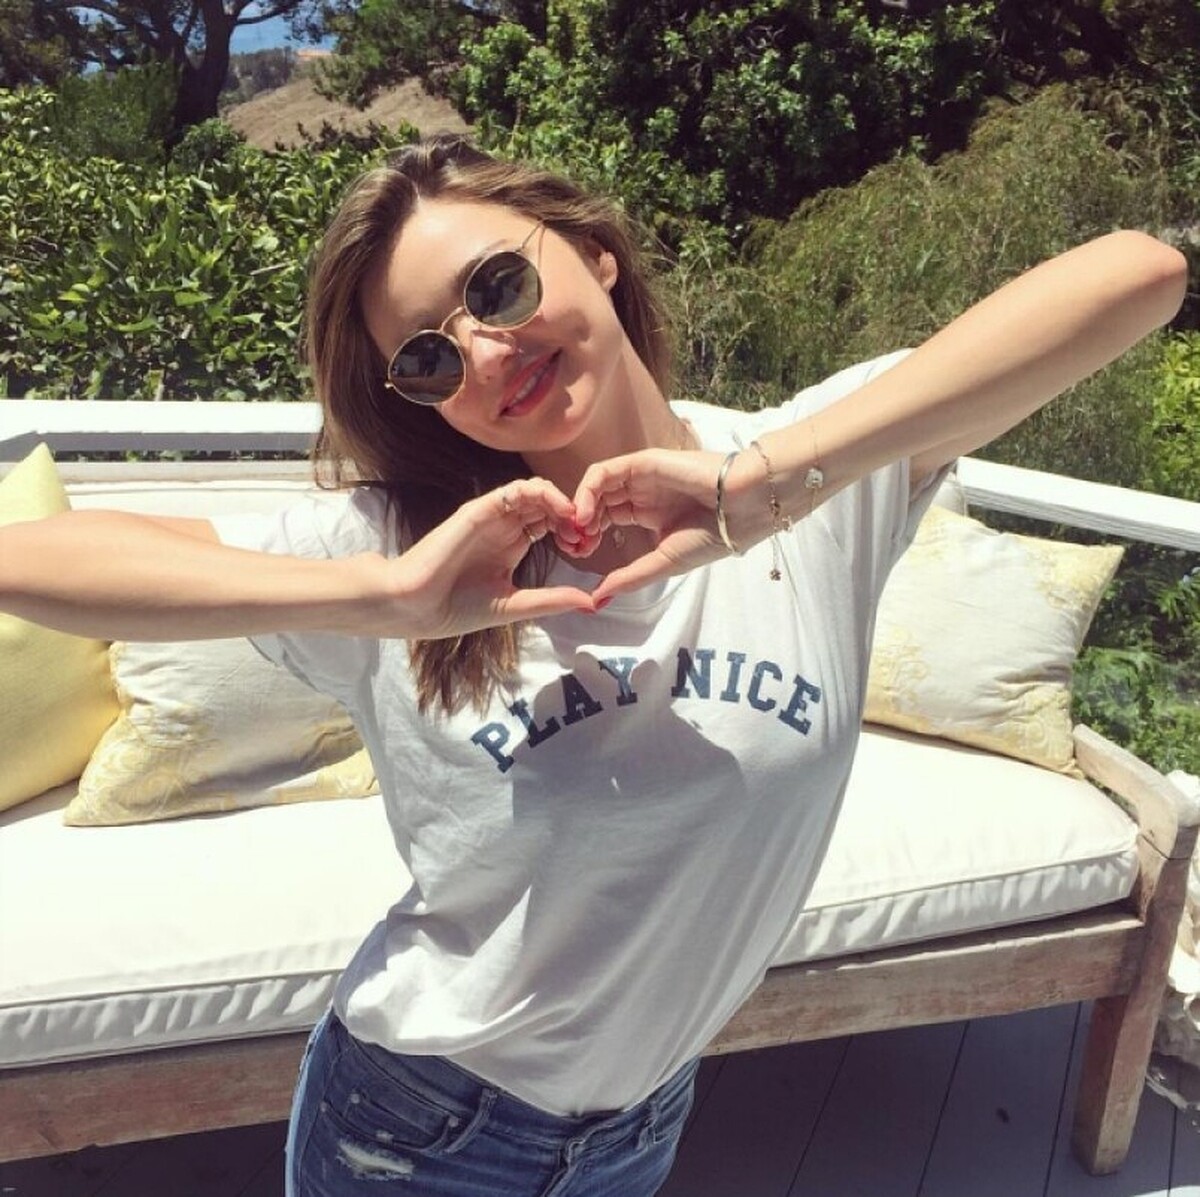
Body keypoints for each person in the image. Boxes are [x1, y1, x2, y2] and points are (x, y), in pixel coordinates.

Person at [0, 134, 1186, 1196]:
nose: (483, 349)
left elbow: (1141, 274)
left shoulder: (815, 482)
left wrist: (763, 484)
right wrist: (388, 599)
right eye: (428, 358)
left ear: (594, 253)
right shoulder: (410, 543)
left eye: (496, 285)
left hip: (643, 1120)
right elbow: (28, 558)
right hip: (417, 1130)